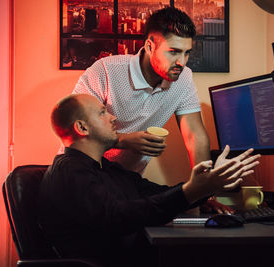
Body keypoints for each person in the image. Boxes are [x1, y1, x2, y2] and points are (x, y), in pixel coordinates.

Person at [38, 94, 261, 266]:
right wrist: (193, 191)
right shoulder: (70, 172)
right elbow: (119, 217)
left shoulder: (104, 168)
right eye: (102, 112)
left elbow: (152, 192)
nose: (113, 117)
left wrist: (204, 188)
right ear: (82, 127)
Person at [72, 7, 231, 213]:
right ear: (149, 45)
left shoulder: (183, 78)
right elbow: (73, 129)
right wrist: (123, 141)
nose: (181, 62)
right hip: (84, 179)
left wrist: (201, 192)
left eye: (187, 53)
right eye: (173, 52)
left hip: (127, 185)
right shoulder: (105, 71)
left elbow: (195, 136)